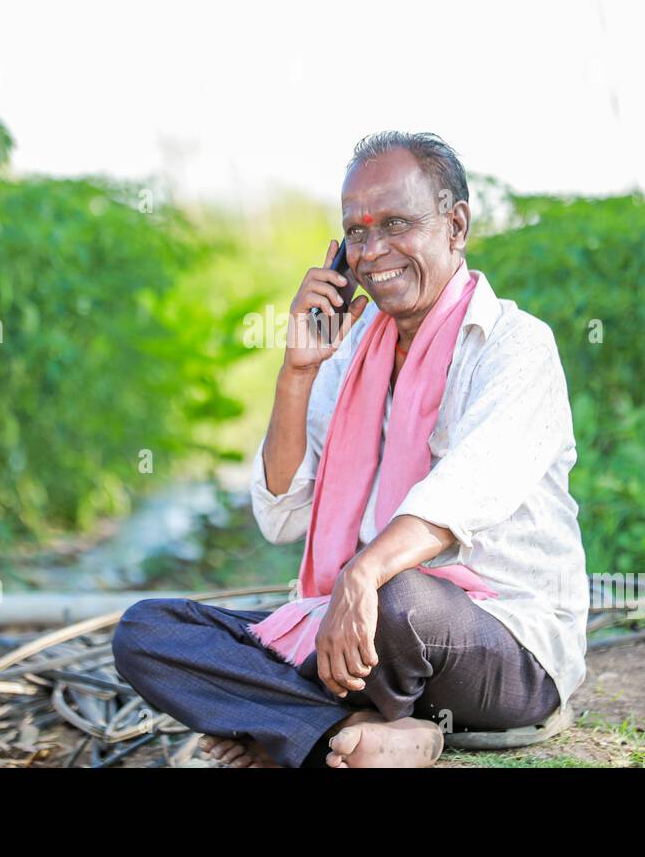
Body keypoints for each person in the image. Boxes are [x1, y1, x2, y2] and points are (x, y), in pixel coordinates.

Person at [112, 131, 588, 768]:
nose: (372, 251)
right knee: (148, 631)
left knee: (400, 597)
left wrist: (362, 574)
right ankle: (372, 727)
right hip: (357, 630)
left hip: (497, 643)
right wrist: (298, 371)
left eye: (395, 223)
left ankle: (295, 723)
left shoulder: (515, 346)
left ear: (456, 225)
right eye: (356, 233)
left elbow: (463, 495)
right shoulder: (349, 356)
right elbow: (281, 515)